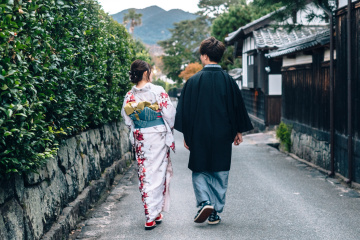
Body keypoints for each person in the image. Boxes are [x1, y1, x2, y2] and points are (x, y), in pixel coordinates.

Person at [174, 37, 253, 225]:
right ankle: (215, 211)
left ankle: (205, 202)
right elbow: (237, 107)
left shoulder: (193, 82)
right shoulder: (228, 81)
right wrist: (238, 131)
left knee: (200, 168)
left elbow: (184, 111)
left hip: (199, 132)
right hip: (223, 132)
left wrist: (186, 134)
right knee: (220, 170)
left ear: (204, 56)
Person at [121, 60, 176, 230]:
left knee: (145, 173)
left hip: (141, 137)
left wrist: (140, 122)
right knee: (158, 172)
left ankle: (153, 211)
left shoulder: (129, 95)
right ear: (146, 73)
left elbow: (127, 119)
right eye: (150, 71)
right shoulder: (157, 91)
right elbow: (170, 114)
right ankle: (151, 215)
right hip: (157, 136)